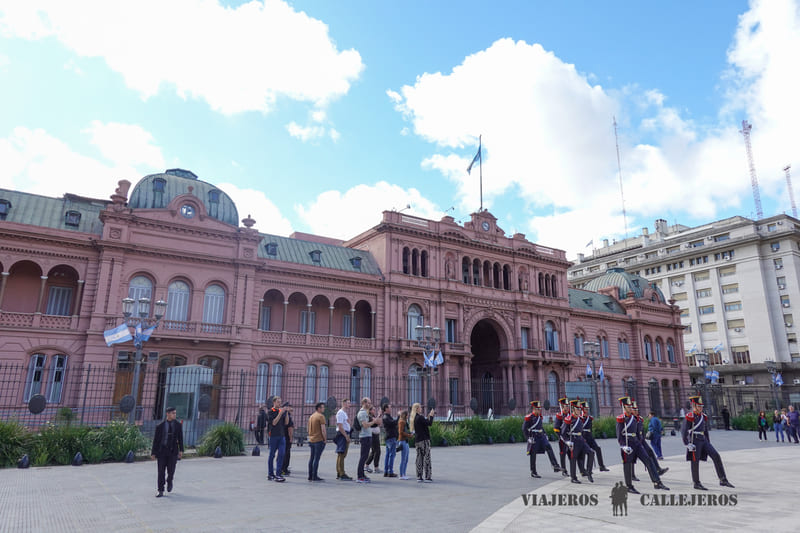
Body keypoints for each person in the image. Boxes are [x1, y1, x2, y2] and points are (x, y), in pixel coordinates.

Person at [616, 396, 669, 494]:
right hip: (628, 444)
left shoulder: (634, 418)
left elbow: (637, 432)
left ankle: (657, 482)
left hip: (636, 443)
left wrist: (639, 442)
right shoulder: (621, 419)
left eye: (631, 407)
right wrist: (623, 446)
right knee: (627, 465)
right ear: (623, 407)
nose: (630, 409)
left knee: (648, 460)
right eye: (628, 407)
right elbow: (619, 435)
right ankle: (629, 486)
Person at [681, 395, 734, 490]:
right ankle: (696, 483)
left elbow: (705, 430)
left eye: (702, 406)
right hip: (694, 440)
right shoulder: (690, 416)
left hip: (703, 439)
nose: (701, 408)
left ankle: (723, 479)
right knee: (695, 461)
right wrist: (687, 443)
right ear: (694, 406)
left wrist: (708, 442)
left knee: (716, 455)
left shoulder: (703, 417)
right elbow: (684, 430)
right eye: (699, 406)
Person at [150, 406, 184, 498]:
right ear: (167, 414)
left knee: (171, 470)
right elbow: (156, 440)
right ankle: (160, 490)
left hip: (173, 451)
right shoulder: (160, 426)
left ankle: (169, 481)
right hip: (162, 451)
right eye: (173, 413)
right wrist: (153, 453)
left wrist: (181, 450)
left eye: (175, 413)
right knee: (161, 471)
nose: (174, 415)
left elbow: (180, 438)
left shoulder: (178, 425)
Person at [522, 400, 560, 478]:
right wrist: (528, 438)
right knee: (533, 453)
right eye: (537, 409)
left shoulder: (539, 417)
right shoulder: (529, 418)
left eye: (539, 409)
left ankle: (555, 465)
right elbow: (524, 429)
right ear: (533, 409)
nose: (539, 410)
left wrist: (545, 434)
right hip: (534, 437)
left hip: (541, 436)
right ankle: (533, 471)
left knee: (548, 447)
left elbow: (541, 427)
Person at [562, 399, 594, 484]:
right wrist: (567, 441)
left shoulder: (580, 419)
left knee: (591, 452)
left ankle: (589, 472)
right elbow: (563, 433)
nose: (579, 411)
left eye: (580, 409)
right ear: (573, 409)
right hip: (574, 440)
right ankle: (573, 477)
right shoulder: (568, 420)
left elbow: (582, 430)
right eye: (577, 409)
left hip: (581, 440)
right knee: (573, 458)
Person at [356, 397, 382, 483]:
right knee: (363, 457)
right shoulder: (362, 413)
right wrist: (373, 422)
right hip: (365, 437)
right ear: (364, 403)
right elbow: (365, 425)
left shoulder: (365, 413)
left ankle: (362, 475)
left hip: (367, 436)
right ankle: (360, 476)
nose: (370, 404)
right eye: (369, 403)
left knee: (365, 456)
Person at [580, 399, 609, 472]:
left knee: (598, 449)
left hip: (590, 437)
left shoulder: (590, 418)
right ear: (582, 410)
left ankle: (601, 466)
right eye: (585, 409)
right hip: (584, 437)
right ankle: (584, 469)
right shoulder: (580, 419)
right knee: (584, 453)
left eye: (587, 409)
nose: (587, 410)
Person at [267, 396, 290, 482]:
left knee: (281, 454)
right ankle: (270, 473)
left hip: (282, 435)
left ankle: (278, 474)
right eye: (278, 402)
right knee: (272, 454)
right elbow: (273, 423)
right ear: (274, 402)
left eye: (280, 402)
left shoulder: (281, 411)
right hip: (273, 435)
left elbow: (286, 423)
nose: (279, 403)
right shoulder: (271, 412)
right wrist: (280, 413)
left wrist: (286, 413)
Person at [410, 402, 434, 482]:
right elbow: (429, 423)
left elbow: (424, 422)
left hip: (418, 440)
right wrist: (431, 416)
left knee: (419, 458)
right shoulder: (420, 417)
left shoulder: (414, 418)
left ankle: (419, 476)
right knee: (426, 457)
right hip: (424, 440)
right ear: (417, 409)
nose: (421, 409)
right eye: (420, 407)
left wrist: (427, 417)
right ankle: (427, 476)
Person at [307, 401, 326, 482]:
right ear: (319, 408)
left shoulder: (311, 416)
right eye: (322, 407)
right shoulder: (321, 416)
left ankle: (310, 475)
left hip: (311, 439)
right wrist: (325, 439)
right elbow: (323, 429)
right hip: (318, 439)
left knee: (311, 458)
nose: (324, 408)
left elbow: (308, 428)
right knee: (316, 458)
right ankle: (315, 475)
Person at [334, 399, 352, 480]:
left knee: (342, 454)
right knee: (341, 454)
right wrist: (346, 436)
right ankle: (341, 473)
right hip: (342, 435)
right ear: (344, 403)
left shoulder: (344, 413)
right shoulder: (340, 413)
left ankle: (339, 472)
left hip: (344, 434)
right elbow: (340, 426)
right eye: (348, 403)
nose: (350, 404)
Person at [552, 397, 570, 477]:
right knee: (563, 454)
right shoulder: (559, 416)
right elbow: (556, 428)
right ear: (562, 407)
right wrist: (561, 437)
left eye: (568, 406)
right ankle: (564, 470)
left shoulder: (570, 415)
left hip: (570, 437)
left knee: (572, 454)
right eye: (566, 406)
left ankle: (575, 469)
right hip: (563, 438)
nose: (567, 407)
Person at [382, 403, 399, 477]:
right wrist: (398, 416)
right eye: (389, 407)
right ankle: (390, 471)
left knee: (388, 455)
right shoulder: (386, 417)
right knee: (392, 455)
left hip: (389, 437)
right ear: (386, 409)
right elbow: (393, 423)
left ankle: (386, 471)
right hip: (391, 437)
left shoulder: (387, 417)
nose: (391, 409)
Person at [365, 406, 382, 474]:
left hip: (376, 434)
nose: (374, 410)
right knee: (377, 451)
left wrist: (378, 416)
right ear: (370, 410)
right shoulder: (369, 416)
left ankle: (366, 465)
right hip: (373, 435)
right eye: (373, 410)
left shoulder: (373, 415)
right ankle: (376, 467)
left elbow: (379, 422)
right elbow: (376, 421)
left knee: (373, 451)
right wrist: (379, 415)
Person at [397, 410, 413, 480]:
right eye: (407, 415)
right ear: (405, 415)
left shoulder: (405, 422)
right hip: (402, 441)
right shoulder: (401, 422)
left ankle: (404, 473)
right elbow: (401, 432)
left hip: (405, 441)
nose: (408, 416)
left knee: (406, 459)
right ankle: (401, 474)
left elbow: (405, 430)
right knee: (403, 459)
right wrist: (409, 435)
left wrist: (410, 433)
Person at [281, 404, 295, 476]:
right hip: (286, 437)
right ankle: (284, 469)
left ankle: (282, 468)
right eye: (290, 407)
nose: (292, 409)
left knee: (283, 453)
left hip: (283, 436)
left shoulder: (282, 415)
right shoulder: (287, 416)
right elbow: (290, 428)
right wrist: (291, 437)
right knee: (286, 453)